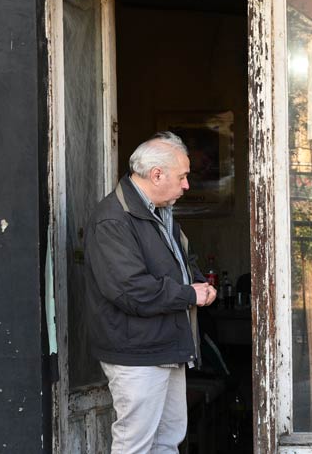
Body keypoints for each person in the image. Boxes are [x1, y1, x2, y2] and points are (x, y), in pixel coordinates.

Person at [84, 131, 217, 453]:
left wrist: (199, 282)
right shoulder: (114, 219)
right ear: (157, 175)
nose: (187, 185)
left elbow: (183, 261)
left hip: (166, 346)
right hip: (138, 352)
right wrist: (190, 295)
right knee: (136, 444)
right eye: (183, 176)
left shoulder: (160, 213)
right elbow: (130, 290)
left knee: (168, 440)